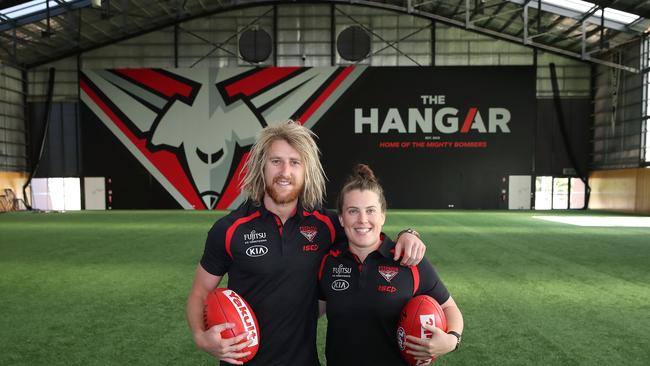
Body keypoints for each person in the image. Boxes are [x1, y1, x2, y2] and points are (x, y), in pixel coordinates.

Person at [186, 121, 427, 365]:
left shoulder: (327, 224)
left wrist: (409, 233)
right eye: (276, 161)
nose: (285, 172)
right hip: (242, 361)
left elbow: (366, 229)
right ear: (261, 166)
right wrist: (200, 337)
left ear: (306, 170)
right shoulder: (228, 230)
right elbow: (200, 292)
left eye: (295, 162)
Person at [318, 164, 464, 366]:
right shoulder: (329, 261)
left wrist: (451, 340)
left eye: (371, 211)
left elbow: (449, 307)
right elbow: (313, 309)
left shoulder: (408, 259)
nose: (362, 220)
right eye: (353, 211)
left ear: (382, 216)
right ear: (341, 219)